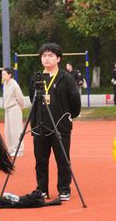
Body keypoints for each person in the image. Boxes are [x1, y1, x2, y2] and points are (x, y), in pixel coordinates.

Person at [29, 43, 81, 201]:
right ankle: (42, 189)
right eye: (44, 56)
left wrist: (67, 116)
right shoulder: (36, 78)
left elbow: (75, 102)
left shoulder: (66, 78)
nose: (47, 58)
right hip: (40, 125)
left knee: (63, 159)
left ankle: (64, 189)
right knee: (40, 160)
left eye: (50, 55)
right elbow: (33, 99)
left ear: (58, 58)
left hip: (60, 126)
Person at [2, 67, 25, 157]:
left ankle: (19, 150)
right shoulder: (5, 84)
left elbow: (20, 97)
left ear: (9, 75)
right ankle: (11, 148)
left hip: (14, 109)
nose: (2, 76)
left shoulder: (14, 84)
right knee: (8, 130)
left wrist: (22, 106)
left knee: (16, 130)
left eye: (4, 74)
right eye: (2, 74)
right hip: (7, 109)